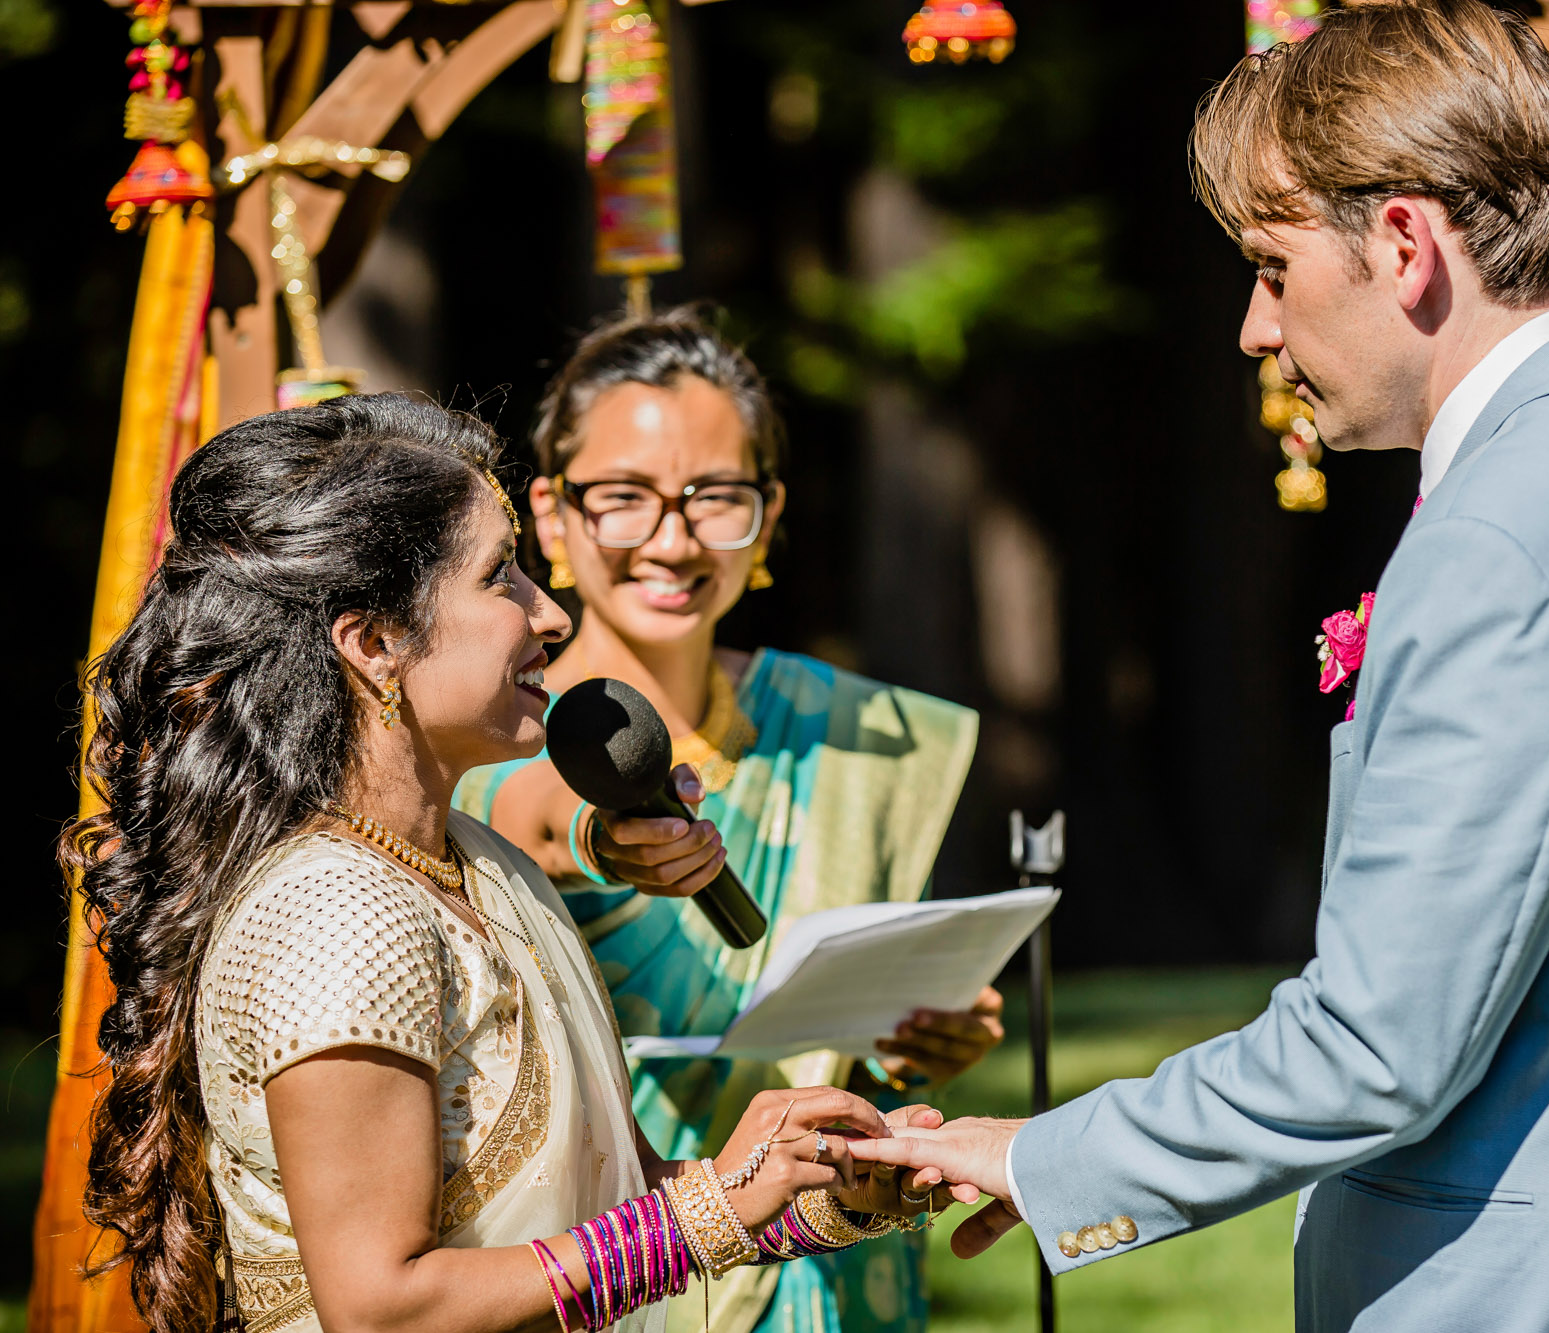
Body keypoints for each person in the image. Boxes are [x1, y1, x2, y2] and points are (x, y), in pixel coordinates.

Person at [850, 4, 1549, 1331]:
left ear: (1409, 243)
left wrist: (1042, 1155)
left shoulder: (1503, 534)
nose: (1256, 328)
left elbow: (1381, 1045)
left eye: (1270, 264)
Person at [65, 395, 972, 1333]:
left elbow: (598, 1205)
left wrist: (817, 1185)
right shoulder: (333, 909)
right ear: (374, 643)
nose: (551, 614)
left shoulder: (478, 865)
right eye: (502, 576)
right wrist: (703, 1220)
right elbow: (383, 1307)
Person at [454, 310, 998, 1333]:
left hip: (838, 1261)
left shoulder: (845, 732)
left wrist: (906, 1052)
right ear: (553, 517)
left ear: (769, 512)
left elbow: (822, 1050)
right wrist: (606, 837)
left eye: (715, 498)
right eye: (623, 500)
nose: (672, 539)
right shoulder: (497, 729)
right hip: (623, 1261)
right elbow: (531, 814)